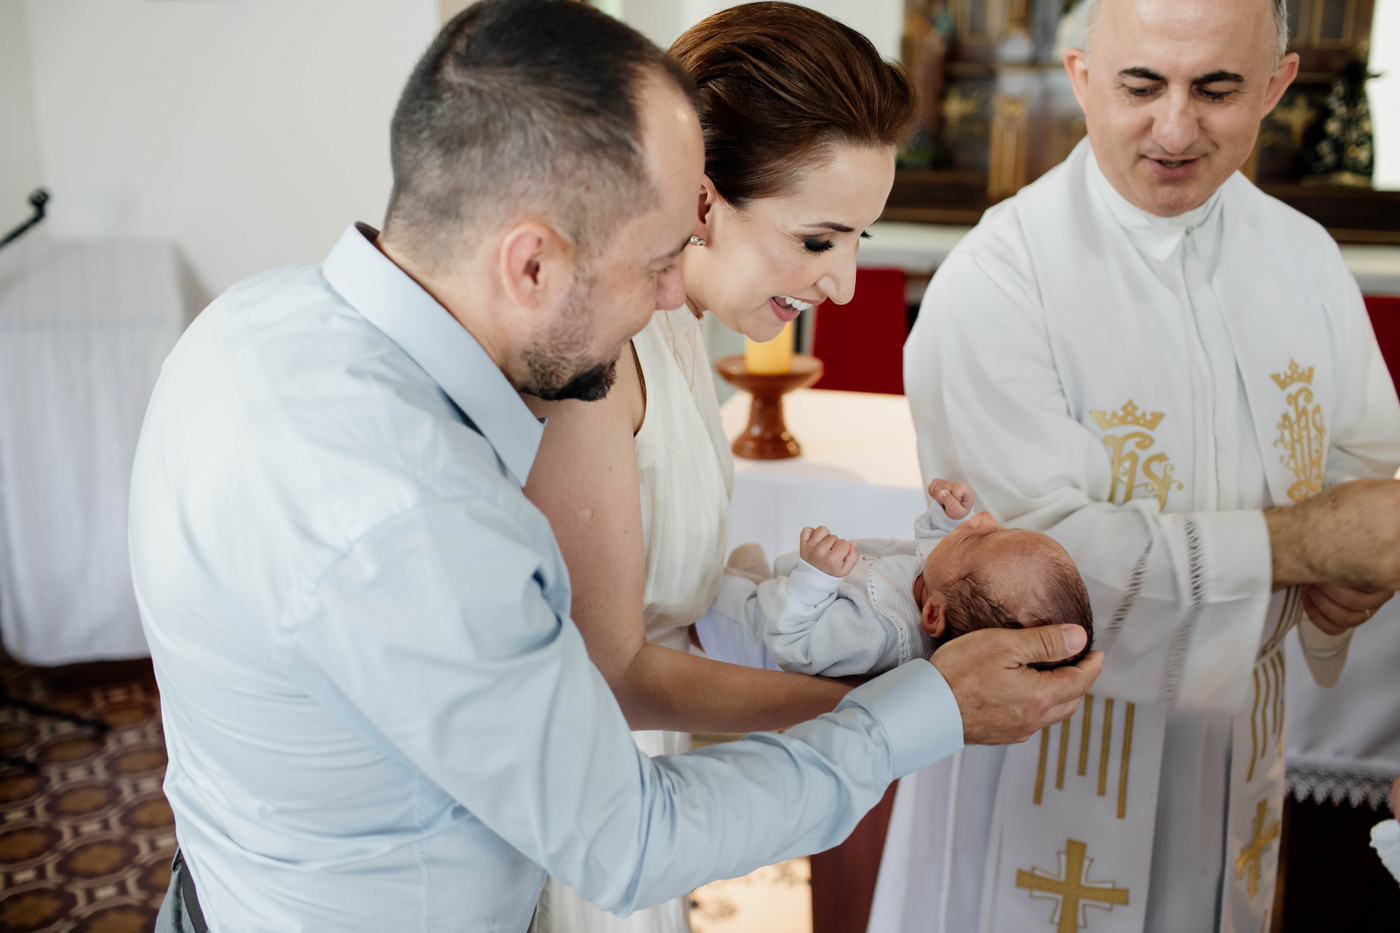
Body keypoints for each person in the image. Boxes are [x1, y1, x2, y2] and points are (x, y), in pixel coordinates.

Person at [131, 3, 1101, 931]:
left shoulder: (247, 324)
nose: (673, 292)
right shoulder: (419, 518)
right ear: (531, 263)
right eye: (655, 260)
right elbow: (625, 838)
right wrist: (920, 710)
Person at [519, 5, 1102, 932]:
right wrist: (915, 702)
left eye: (861, 237)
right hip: (574, 810)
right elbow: (611, 676)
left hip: (643, 783)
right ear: (701, 198)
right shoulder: (594, 361)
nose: (846, 282)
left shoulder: (674, 327)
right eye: (819, 239)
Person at [873, 0, 1400, 930]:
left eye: (1218, 89)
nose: (1176, 129)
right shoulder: (1001, 275)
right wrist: (1305, 546)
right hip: (1043, 769)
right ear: (1082, 77)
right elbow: (1030, 574)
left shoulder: (1305, 259)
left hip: (1237, 755)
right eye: (1142, 85)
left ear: (1275, 85)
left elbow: (1371, 473)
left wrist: (1358, 564)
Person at [712, 479, 1093, 678]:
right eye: (1000, 530)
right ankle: (754, 578)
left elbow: (796, 648)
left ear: (932, 615)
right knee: (749, 568)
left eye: (977, 538)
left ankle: (711, 608)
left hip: (757, 633)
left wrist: (816, 579)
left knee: (706, 595)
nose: (983, 518)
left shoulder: (878, 634)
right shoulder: (942, 588)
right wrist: (950, 520)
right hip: (778, 592)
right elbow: (938, 553)